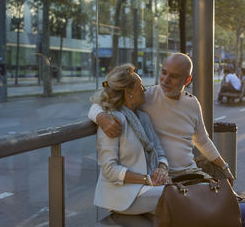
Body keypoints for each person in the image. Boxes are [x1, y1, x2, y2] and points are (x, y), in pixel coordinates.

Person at [89, 53, 234, 185]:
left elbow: (203, 141)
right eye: (164, 73)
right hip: (162, 177)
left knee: (220, 199)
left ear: (187, 80)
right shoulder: (145, 96)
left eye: (174, 76)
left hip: (191, 172)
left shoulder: (192, 103)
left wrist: (225, 167)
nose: (166, 80)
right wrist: (101, 116)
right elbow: (102, 100)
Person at [91, 63, 169, 215]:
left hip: (149, 188)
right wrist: (146, 179)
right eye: (140, 85)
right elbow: (109, 170)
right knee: (173, 198)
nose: (144, 89)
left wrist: (162, 169)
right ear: (129, 92)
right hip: (125, 196)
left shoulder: (144, 118)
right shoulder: (113, 122)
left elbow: (160, 151)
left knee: (182, 197)